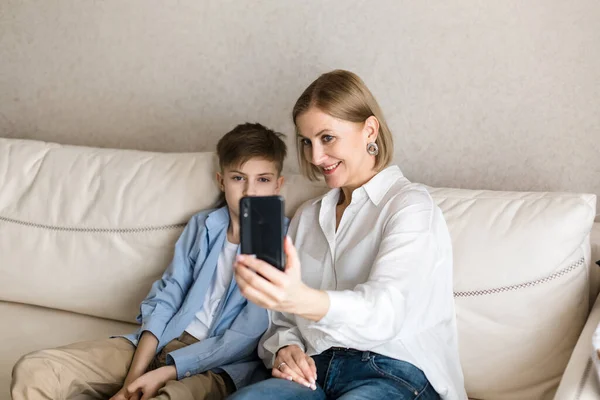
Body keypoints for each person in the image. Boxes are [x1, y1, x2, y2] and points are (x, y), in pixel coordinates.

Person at [229, 70, 467, 399]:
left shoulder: (410, 208)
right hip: (315, 371)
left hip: (393, 372)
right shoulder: (307, 216)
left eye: (327, 138)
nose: (314, 157)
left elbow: (386, 312)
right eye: (307, 142)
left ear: (369, 130)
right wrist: (285, 349)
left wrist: (302, 299)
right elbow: (282, 322)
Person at [11, 123, 288, 400]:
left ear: (278, 184)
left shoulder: (283, 240)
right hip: (163, 341)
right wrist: (132, 378)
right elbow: (168, 296)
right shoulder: (203, 225)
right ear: (221, 181)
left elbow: (246, 335)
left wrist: (167, 371)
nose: (250, 191)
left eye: (262, 179)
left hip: (217, 367)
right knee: (37, 369)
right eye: (238, 178)